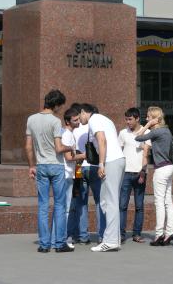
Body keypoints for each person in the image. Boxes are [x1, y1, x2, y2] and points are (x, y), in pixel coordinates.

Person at [25, 90, 74, 253]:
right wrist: (71, 147)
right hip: (56, 166)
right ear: (57, 105)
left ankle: (44, 244)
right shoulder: (55, 121)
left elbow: (28, 147)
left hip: (41, 166)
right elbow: (59, 148)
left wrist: (32, 166)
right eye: (61, 106)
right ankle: (59, 244)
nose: (61, 109)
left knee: (43, 206)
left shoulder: (31, 119)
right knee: (59, 205)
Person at [79, 103, 125, 252]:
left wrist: (101, 164)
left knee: (109, 201)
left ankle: (110, 241)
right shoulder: (106, 119)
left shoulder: (94, 119)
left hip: (110, 161)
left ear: (83, 112)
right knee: (107, 201)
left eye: (79, 115)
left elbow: (102, 140)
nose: (80, 119)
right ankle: (113, 239)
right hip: (117, 160)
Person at [135, 106, 173, 246]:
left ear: (154, 119)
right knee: (168, 201)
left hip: (161, 170)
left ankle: (159, 235)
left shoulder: (156, 132)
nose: (146, 119)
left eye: (148, 117)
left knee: (159, 202)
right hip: (170, 167)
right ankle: (170, 232)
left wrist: (147, 125)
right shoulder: (166, 131)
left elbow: (138, 137)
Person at [69, 102, 105, 245]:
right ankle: (101, 234)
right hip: (95, 167)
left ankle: (83, 236)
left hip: (78, 168)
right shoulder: (94, 125)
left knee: (79, 202)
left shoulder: (74, 128)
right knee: (99, 201)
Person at [50, 107, 86, 249]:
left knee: (61, 209)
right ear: (67, 121)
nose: (78, 122)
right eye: (75, 120)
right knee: (64, 210)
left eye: (78, 119)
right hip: (66, 175)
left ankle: (56, 240)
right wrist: (83, 156)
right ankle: (60, 240)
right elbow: (69, 157)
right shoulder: (67, 135)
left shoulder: (66, 133)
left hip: (66, 174)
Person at [118, 107, 151, 243]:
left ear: (137, 118)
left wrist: (143, 171)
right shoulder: (122, 133)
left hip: (140, 173)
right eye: (126, 119)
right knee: (122, 205)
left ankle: (137, 234)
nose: (127, 122)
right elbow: (118, 152)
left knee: (139, 206)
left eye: (130, 119)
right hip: (125, 173)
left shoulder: (147, 132)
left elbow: (147, 153)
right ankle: (120, 234)